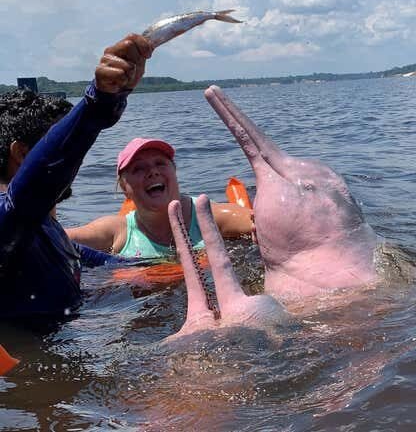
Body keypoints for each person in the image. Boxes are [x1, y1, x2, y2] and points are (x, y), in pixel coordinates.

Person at [0, 34, 153, 319]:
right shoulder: (5, 222)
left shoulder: (44, 228)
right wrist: (100, 103)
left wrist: (169, 269)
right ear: (22, 154)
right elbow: (26, 195)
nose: (75, 158)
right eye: (55, 139)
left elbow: (100, 261)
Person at [66, 137, 252, 259]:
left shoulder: (206, 215)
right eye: (138, 168)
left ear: (174, 171)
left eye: (160, 163)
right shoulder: (118, 231)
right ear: (124, 188)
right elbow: (51, 237)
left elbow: (257, 221)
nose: (153, 172)